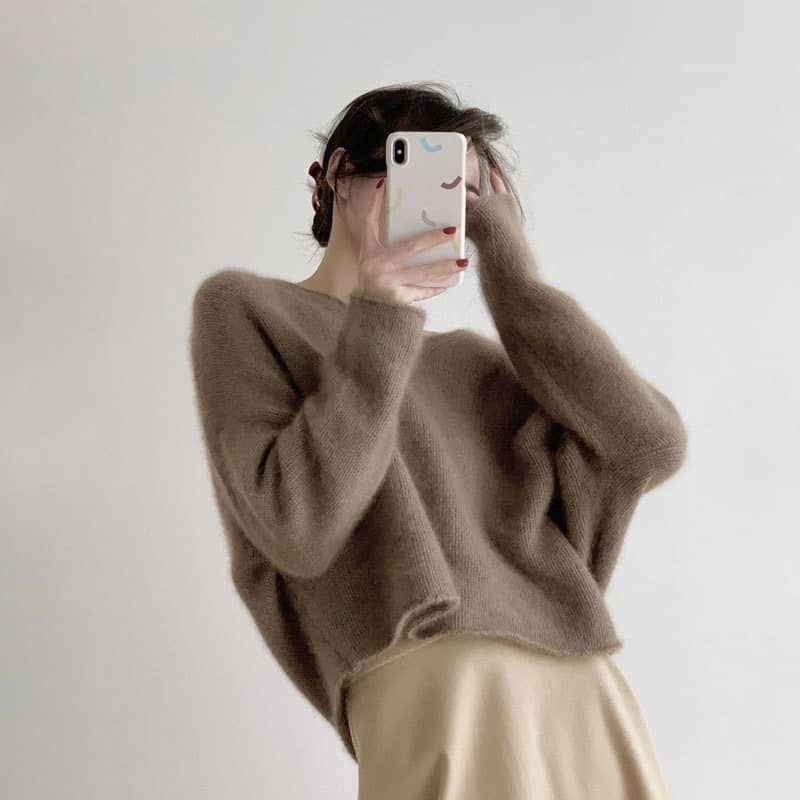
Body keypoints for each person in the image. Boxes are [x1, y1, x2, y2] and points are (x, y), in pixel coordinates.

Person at [189, 82, 688, 799]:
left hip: (581, 687)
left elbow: (647, 445)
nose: (447, 210)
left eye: (466, 194)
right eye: (423, 178)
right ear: (338, 174)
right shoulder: (249, 310)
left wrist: (514, 278)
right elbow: (297, 528)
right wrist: (381, 315)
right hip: (432, 688)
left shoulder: (476, 363)